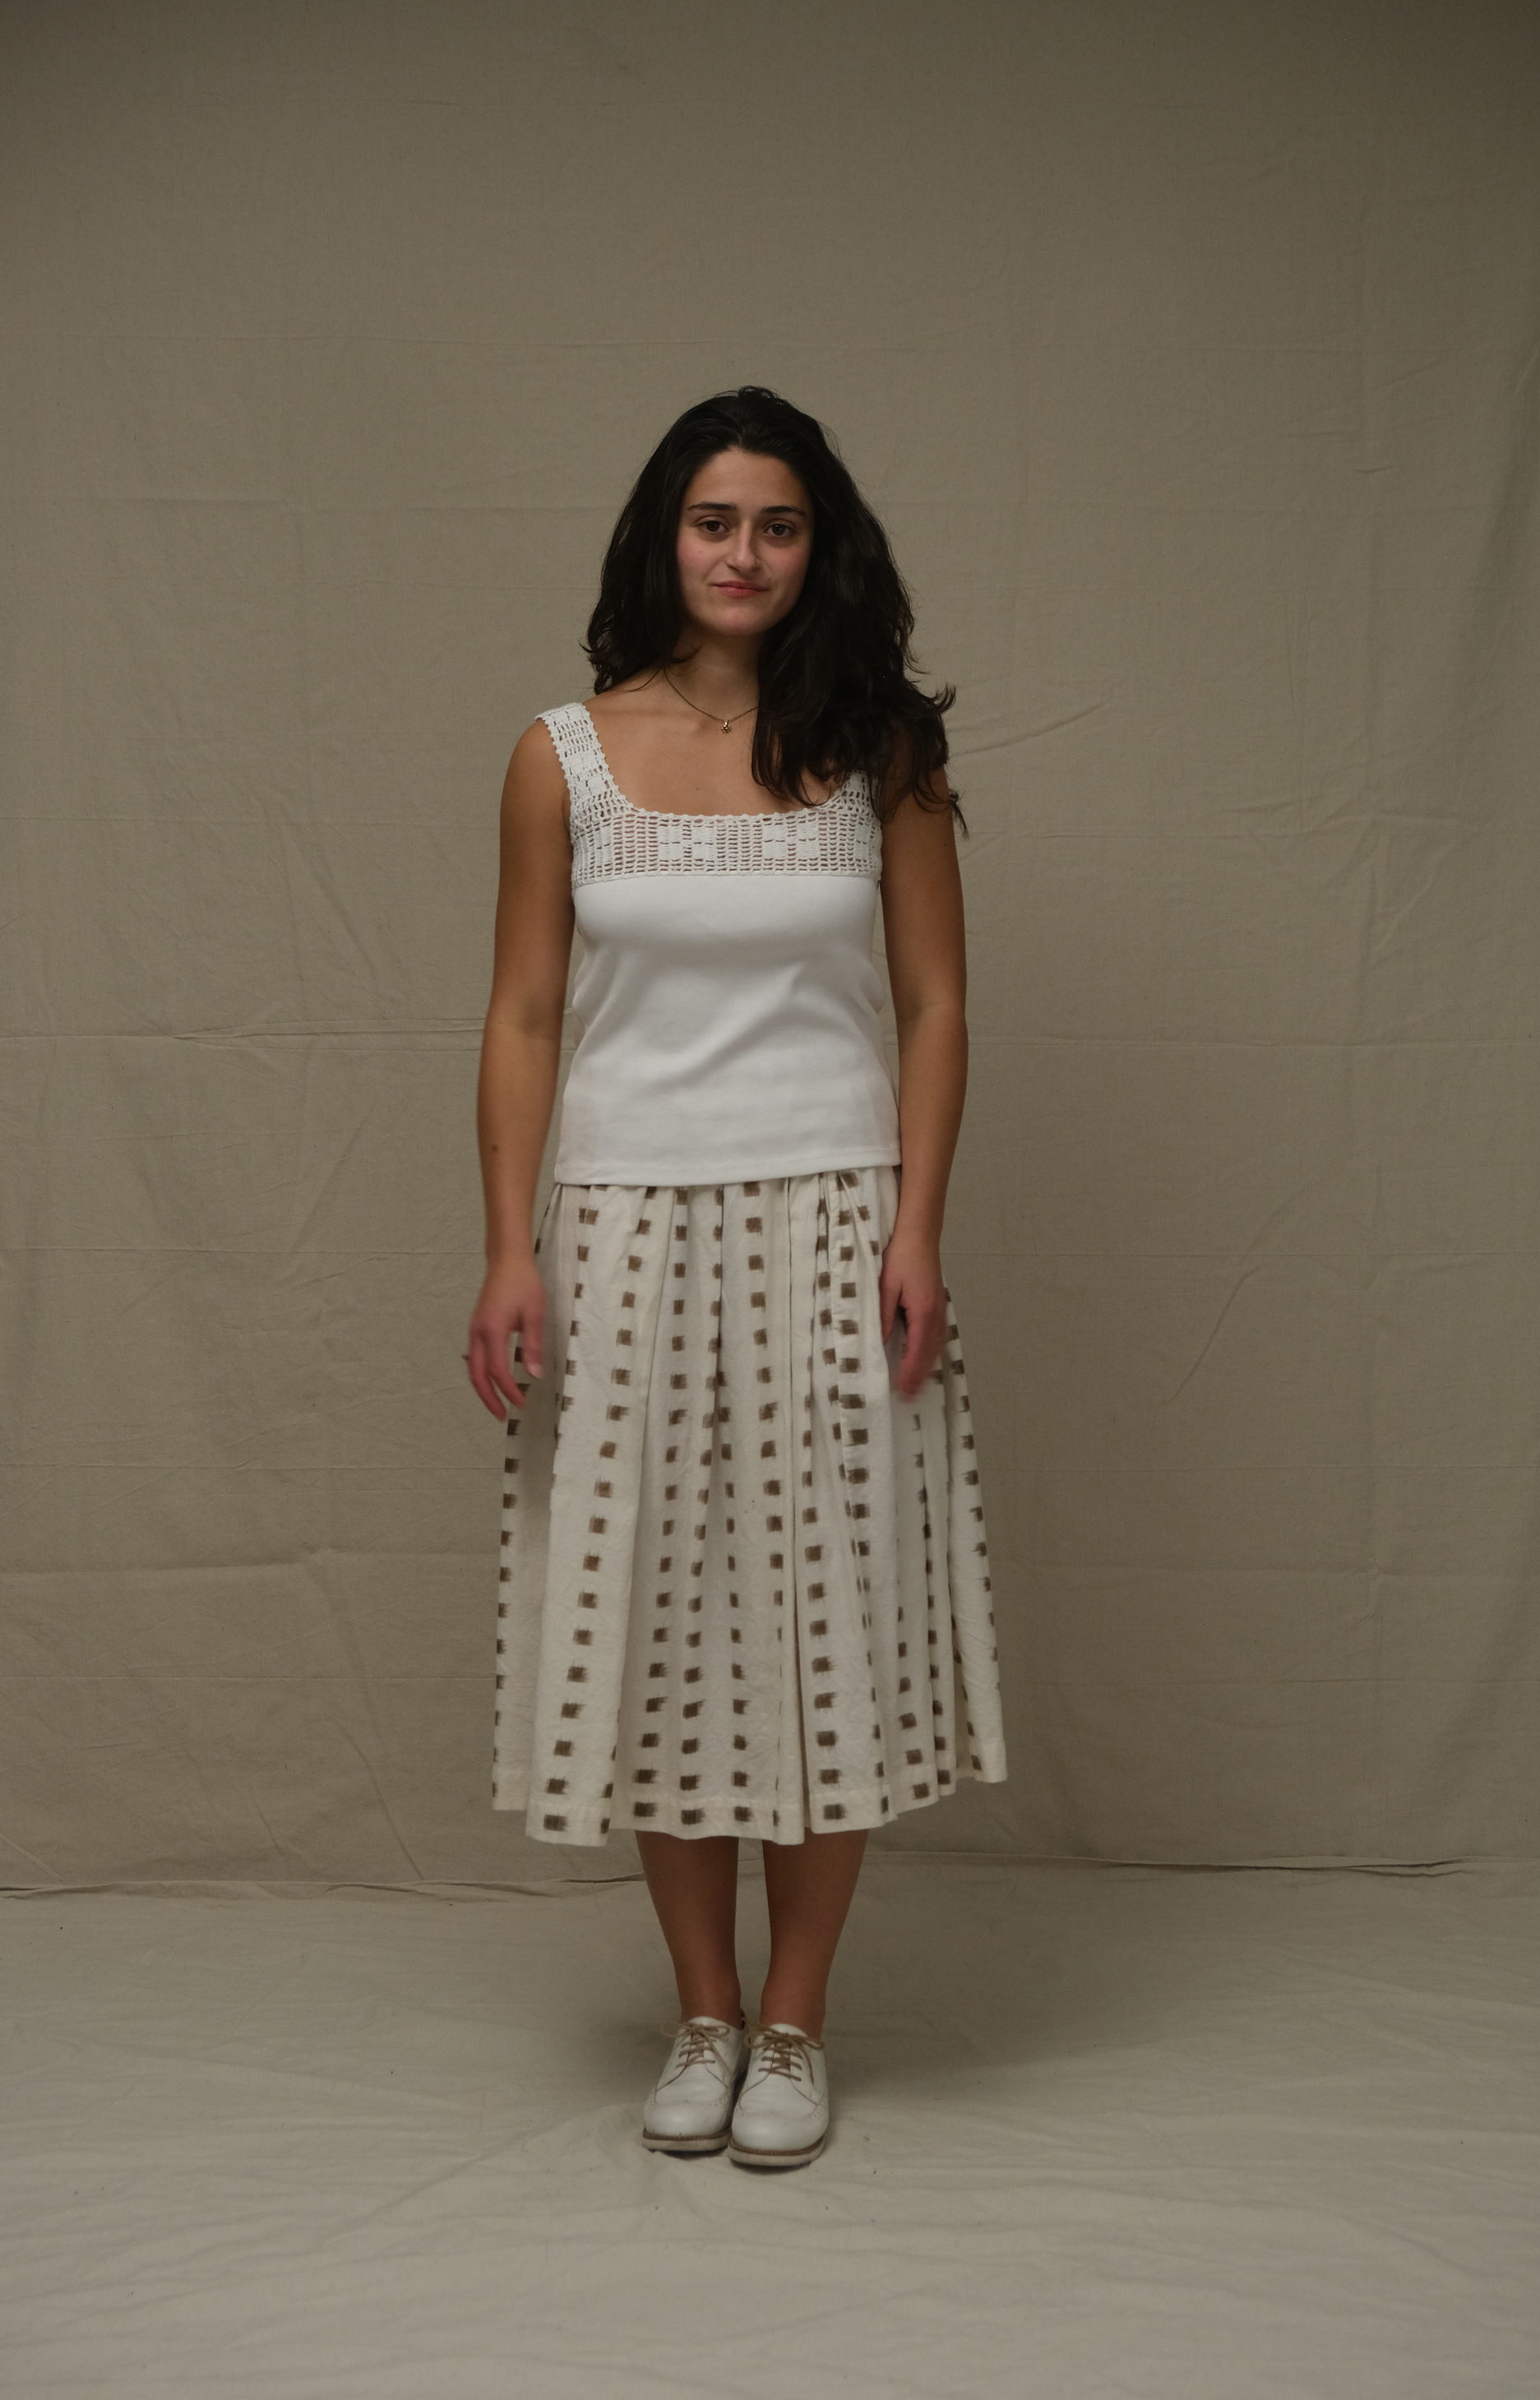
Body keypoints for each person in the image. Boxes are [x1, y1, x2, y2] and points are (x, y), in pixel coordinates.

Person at [466, 387, 1006, 2170]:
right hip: (622, 1226)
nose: (744, 554)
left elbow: (932, 1004)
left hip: (836, 1224)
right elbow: (525, 1014)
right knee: (660, 1621)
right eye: (714, 522)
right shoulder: (566, 755)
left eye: (776, 524)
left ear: (816, 542)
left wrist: (916, 1225)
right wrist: (504, 1243)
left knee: (822, 1620)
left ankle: (796, 2023)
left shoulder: (880, 754)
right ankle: (699, 2010)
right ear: (663, 540)